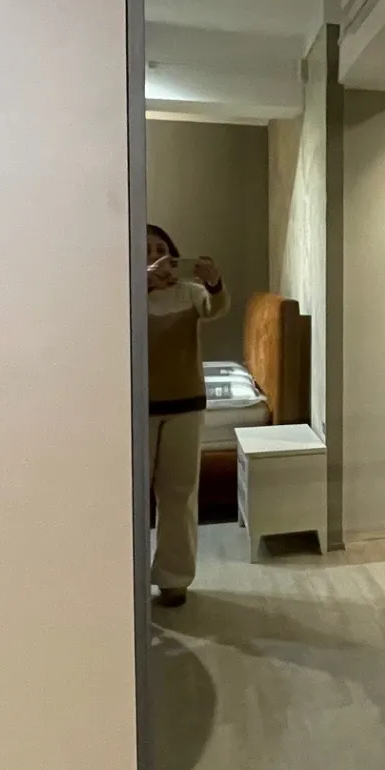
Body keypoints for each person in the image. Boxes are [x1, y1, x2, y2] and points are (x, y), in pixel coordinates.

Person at [146, 224, 227, 607]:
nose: (154, 256)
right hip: (137, 410)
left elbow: (215, 308)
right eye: (145, 250)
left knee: (178, 493)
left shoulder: (190, 292)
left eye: (160, 249)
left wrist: (214, 282)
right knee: (130, 498)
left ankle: (174, 579)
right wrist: (142, 284)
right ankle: (126, 581)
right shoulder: (123, 294)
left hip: (185, 405)